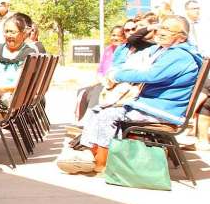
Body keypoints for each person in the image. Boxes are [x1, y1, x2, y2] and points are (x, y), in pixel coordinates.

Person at [79, 15, 202, 171]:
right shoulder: (164, 49)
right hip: (150, 103)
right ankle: (90, 153)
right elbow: (133, 58)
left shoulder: (180, 55)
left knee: (107, 114)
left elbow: (151, 75)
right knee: (97, 109)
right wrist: (117, 70)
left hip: (162, 110)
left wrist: (117, 76)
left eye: (168, 29)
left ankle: (102, 163)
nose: (161, 32)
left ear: (181, 37)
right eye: (162, 27)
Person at [0, 13, 36, 110]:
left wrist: (2, 90)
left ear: (23, 34)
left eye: (13, 32)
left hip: (12, 99)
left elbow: (24, 84)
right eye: (6, 31)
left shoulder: (29, 54)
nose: (9, 35)